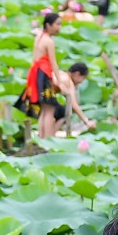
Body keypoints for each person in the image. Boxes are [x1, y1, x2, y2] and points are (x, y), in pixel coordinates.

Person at [18, 10, 70, 139]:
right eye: (57, 24)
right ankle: (47, 139)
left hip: (36, 74)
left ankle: (42, 138)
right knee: (50, 109)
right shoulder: (49, 42)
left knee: (44, 109)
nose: (59, 28)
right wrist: (61, 83)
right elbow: (54, 64)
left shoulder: (39, 36)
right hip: (43, 74)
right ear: (48, 25)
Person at [62, 60, 97, 134]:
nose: (81, 82)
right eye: (83, 78)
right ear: (77, 74)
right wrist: (86, 121)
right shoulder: (68, 81)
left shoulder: (62, 75)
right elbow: (73, 104)